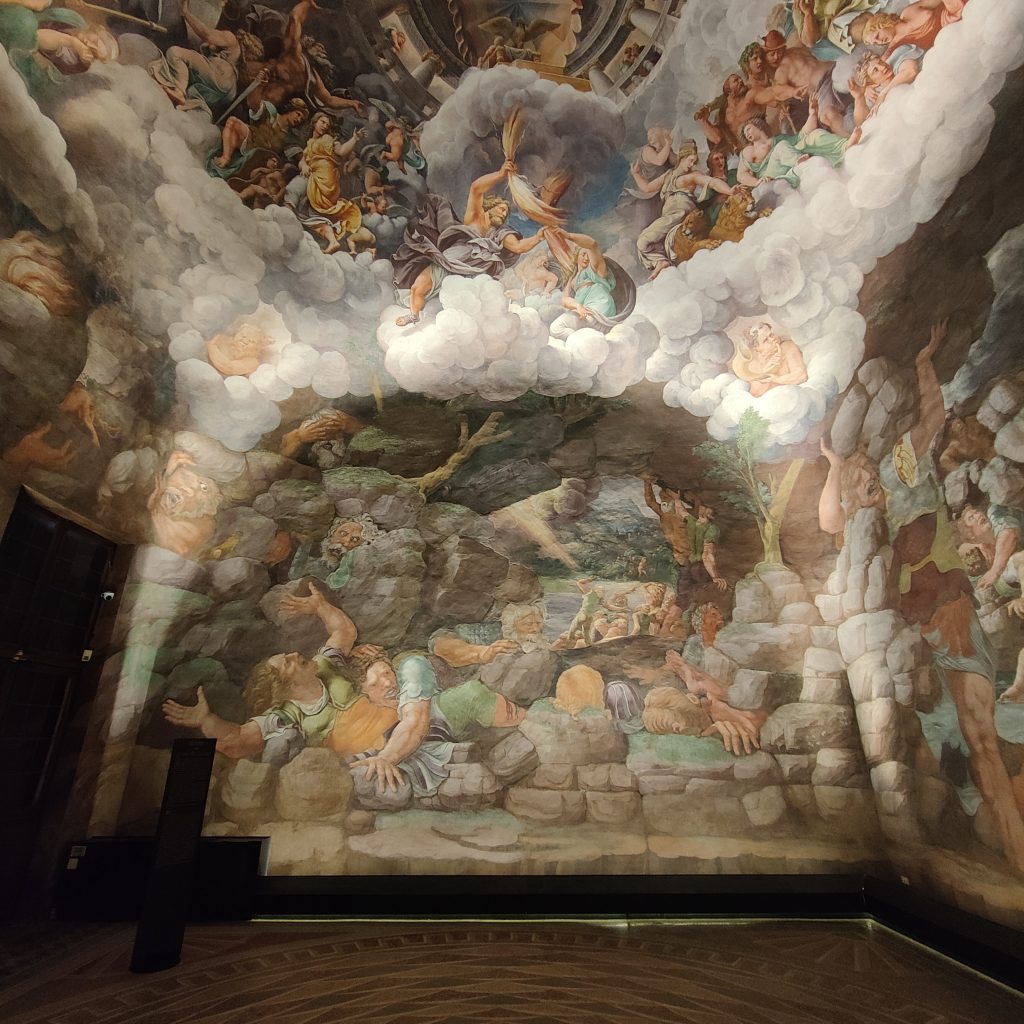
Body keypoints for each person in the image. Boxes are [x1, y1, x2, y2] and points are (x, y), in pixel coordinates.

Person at [818, 320, 1024, 874]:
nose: (866, 484)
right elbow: (830, 520)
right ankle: (971, 834)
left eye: (865, 477)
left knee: (981, 735)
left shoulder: (903, 470)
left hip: (951, 619)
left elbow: (932, 417)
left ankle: (1016, 851)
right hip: (912, 642)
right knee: (933, 746)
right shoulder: (868, 524)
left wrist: (925, 363)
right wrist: (833, 468)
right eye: (858, 481)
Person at [162, 582, 397, 762]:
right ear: (285, 686)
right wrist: (206, 720)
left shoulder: (324, 665)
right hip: (368, 756)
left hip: (397, 727)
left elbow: (344, 631)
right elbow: (239, 737)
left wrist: (320, 607)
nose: (294, 654)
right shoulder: (285, 715)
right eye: (287, 663)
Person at [347, 647, 527, 794]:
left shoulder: (411, 667)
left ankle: (529, 719)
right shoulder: (371, 714)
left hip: (484, 710)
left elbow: (415, 721)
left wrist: (386, 758)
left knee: (472, 695)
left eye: (387, 673)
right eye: (374, 684)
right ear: (365, 694)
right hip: (459, 738)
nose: (387, 683)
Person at [391, 158, 546, 325]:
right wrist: (500, 174)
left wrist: (538, 237)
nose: (503, 214)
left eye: (506, 213)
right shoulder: (474, 219)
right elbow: (476, 188)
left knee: (463, 310)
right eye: (501, 209)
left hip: (470, 274)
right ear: (490, 206)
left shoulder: (500, 234)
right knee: (417, 287)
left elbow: (518, 247)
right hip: (446, 262)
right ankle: (413, 316)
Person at [240, 0, 365, 117]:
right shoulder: (300, 61)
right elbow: (295, 19)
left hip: (263, 99)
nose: (321, 52)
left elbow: (329, 100)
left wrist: (352, 103)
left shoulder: (308, 72)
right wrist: (306, 3)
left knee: (263, 102)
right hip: (253, 77)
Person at [634, 139, 736, 281]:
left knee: (643, 241)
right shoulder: (668, 175)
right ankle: (661, 262)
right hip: (669, 216)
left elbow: (712, 182)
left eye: (694, 161)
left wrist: (729, 191)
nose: (692, 164)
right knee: (644, 242)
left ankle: (660, 261)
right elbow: (647, 188)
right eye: (690, 160)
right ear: (682, 157)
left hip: (680, 214)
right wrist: (636, 174)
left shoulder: (692, 176)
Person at [148, 0, 252, 114]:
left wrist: (185, 12)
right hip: (225, 92)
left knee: (175, 53)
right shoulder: (233, 55)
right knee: (192, 93)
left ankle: (179, 91)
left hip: (220, 76)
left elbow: (206, 34)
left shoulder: (230, 38)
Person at [293, 113, 373, 254]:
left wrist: (355, 138)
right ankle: (332, 241)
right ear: (314, 122)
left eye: (327, 125)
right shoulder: (310, 142)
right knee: (310, 213)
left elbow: (341, 151)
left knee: (312, 209)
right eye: (322, 122)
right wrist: (304, 165)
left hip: (326, 179)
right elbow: (302, 160)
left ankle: (333, 239)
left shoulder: (327, 138)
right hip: (315, 178)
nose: (325, 126)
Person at [736, 104, 849, 190]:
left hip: (787, 166)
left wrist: (812, 114)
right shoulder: (749, 150)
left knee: (814, 135)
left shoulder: (778, 139)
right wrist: (757, 182)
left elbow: (801, 137)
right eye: (745, 134)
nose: (747, 134)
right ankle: (799, 162)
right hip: (769, 177)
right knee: (781, 146)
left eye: (748, 129)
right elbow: (741, 175)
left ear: (758, 125)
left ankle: (844, 146)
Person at [761, 29, 851, 137]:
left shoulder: (781, 71)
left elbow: (779, 93)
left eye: (779, 51)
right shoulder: (796, 51)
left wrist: (787, 101)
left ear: (783, 48)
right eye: (772, 54)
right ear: (765, 56)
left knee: (827, 117)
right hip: (835, 72)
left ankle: (852, 139)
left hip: (825, 85)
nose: (776, 56)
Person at [544, 228, 617, 338]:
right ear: (577, 255)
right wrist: (577, 305)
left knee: (556, 328)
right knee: (559, 329)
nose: (586, 258)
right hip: (587, 312)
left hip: (598, 311)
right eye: (583, 254)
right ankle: (583, 341)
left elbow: (592, 244)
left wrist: (568, 236)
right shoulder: (574, 277)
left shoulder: (596, 270)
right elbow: (564, 300)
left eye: (589, 255)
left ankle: (579, 340)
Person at [731, 321, 809, 396]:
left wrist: (777, 379)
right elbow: (755, 394)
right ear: (756, 348)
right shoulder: (753, 363)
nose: (772, 339)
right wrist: (767, 371)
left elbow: (801, 376)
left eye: (771, 335)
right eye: (766, 340)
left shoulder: (787, 347)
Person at [850, 49, 922, 126]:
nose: (883, 67)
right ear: (871, 81)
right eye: (876, 70)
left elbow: (911, 72)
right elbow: (861, 124)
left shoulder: (897, 58)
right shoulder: (873, 93)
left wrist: (884, 93)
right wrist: (859, 97)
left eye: (880, 62)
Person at [564, 578, 603, 646]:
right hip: (589, 616)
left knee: (573, 627)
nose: (601, 592)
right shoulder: (599, 598)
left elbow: (579, 583)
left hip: (583, 614)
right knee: (586, 631)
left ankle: (569, 641)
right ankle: (588, 644)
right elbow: (608, 606)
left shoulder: (590, 593)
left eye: (601, 591)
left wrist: (586, 580)